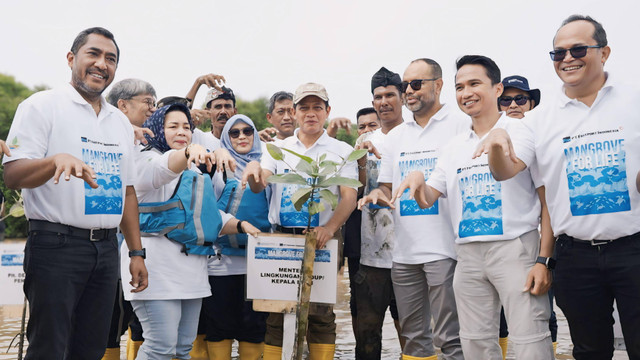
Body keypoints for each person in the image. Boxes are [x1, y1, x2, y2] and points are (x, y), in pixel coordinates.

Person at [477, 15, 640, 359]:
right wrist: (496, 143)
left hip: (634, 249)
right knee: (588, 350)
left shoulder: (634, 100)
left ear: (604, 52)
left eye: (578, 49)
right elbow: (506, 171)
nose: (567, 58)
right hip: (575, 256)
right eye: (558, 53)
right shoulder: (538, 119)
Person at [382, 55, 555, 359]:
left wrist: (543, 259)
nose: (466, 93)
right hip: (467, 254)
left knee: (530, 338)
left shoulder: (519, 131)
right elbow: (427, 199)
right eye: (460, 86)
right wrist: (418, 180)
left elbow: (511, 176)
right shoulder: (454, 146)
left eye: (475, 83)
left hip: (514, 249)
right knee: (474, 342)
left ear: (497, 88)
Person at [2, 27, 148, 359]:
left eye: (110, 59)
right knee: (49, 348)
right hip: (56, 247)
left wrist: (137, 254)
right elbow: (12, 174)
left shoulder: (119, 123)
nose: (101, 64)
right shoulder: (41, 106)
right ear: (72, 58)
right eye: (93, 54)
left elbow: (127, 193)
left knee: (92, 348)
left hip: (107, 250)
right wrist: (54, 162)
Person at [121, 103, 259, 360]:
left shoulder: (194, 169)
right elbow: (163, 168)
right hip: (156, 268)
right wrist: (190, 150)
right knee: (159, 346)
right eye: (172, 126)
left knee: (183, 348)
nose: (181, 131)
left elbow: (206, 215)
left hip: (193, 271)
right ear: (157, 130)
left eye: (186, 127)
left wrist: (240, 225)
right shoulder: (145, 160)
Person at [360, 59, 467, 360]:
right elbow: (385, 187)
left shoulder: (460, 125)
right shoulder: (396, 136)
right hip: (404, 254)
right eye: (406, 85)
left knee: (450, 337)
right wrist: (374, 196)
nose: (409, 91)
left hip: (446, 250)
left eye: (416, 84)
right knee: (413, 338)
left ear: (439, 84)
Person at [243, 82, 358, 360]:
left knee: (320, 313)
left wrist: (329, 229)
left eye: (317, 107)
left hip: (321, 239)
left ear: (327, 111)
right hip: (281, 237)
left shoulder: (341, 149)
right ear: (294, 112)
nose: (310, 113)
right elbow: (262, 184)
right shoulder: (277, 149)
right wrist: (253, 174)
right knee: (276, 313)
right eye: (303, 107)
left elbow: (349, 197)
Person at [495, 74, 558, 358]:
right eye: (506, 100)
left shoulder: (543, 139)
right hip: (500, 245)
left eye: (520, 99)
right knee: (499, 320)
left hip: (539, 243)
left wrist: (544, 258)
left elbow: (549, 204)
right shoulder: (494, 141)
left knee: (542, 315)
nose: (514, 105)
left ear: (532, 102)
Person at [202, 114, 271, 359]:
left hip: (260, 263)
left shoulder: (268, 165)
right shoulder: (217, 167)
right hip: (221, 264)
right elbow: (207, 211)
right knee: (218, 327)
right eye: (234, 133)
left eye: (247, 131)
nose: (242, 136)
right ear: (225, 137)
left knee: (254, 328)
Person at [102, 78, 158, 360]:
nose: (153, 109)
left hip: (133, 249)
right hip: (101, 243)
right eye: (148, 102)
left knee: (138, 323)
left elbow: (130, 196)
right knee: (106, 321)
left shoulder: (151, 145)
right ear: (122, 105)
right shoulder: (101, 136)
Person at [352, 67, 405, 360]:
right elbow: (357, 189)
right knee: (367, 332)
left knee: (412, 330)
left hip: (411, 253)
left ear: (402, 98)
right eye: (378, 96)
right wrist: (360, 157)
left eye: (390, 95)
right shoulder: (365, 140)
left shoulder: (415, 136)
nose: (384, 101)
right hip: (371, 253)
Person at [343, 107, 380, 340]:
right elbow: (353, 190)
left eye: (372, 126)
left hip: (393, 242)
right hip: (359, 240)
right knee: (358, 302)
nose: (366, 131)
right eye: (362, 126)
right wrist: (361, 160)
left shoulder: (393, 150)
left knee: (399, 305)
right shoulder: (351, 156)